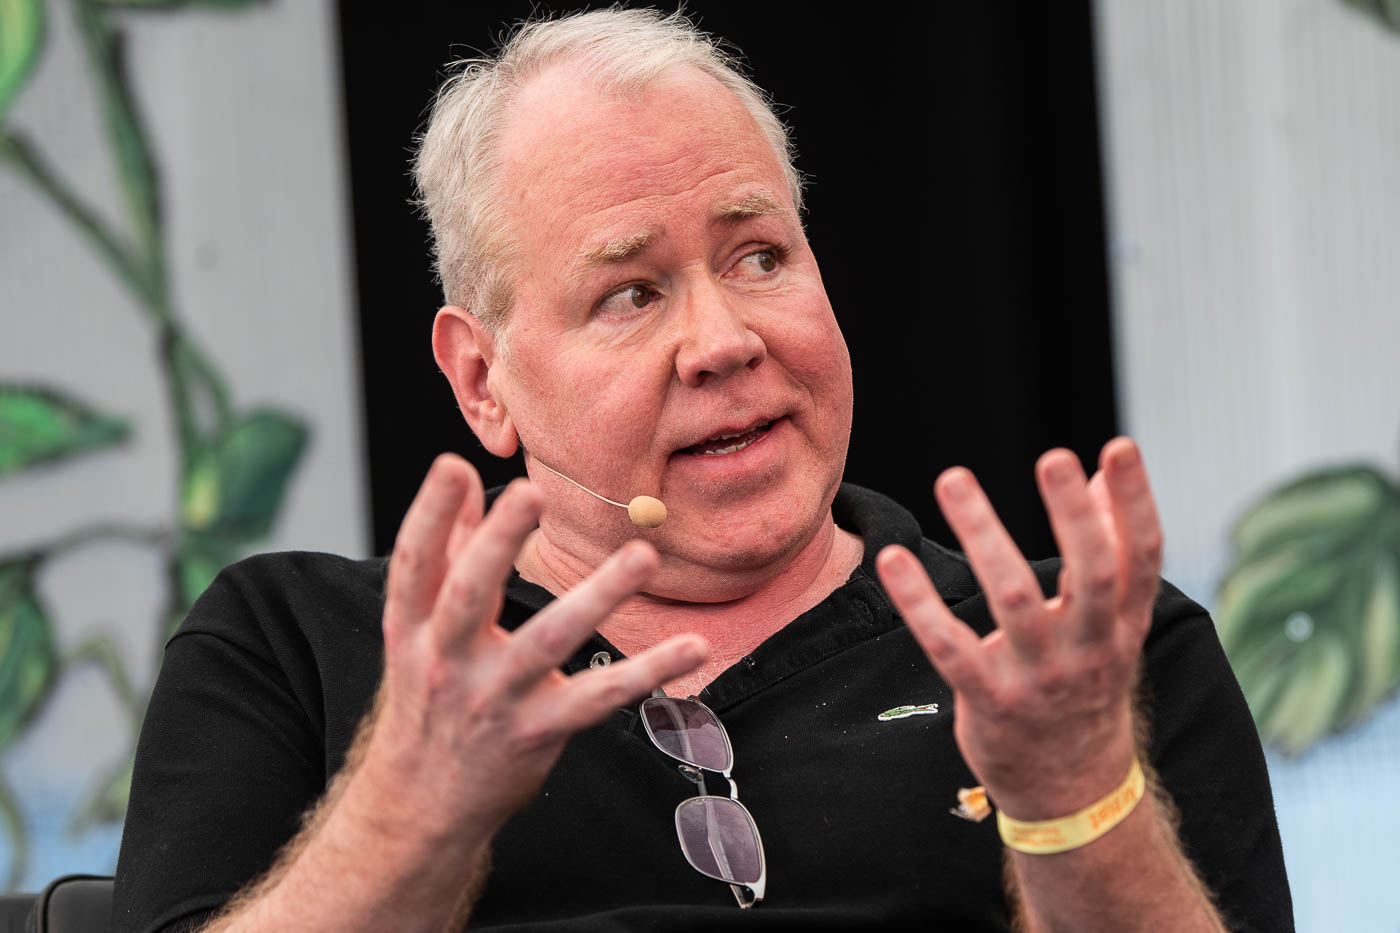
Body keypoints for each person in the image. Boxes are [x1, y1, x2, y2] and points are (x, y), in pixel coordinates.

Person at [110, 9, 1292, 932]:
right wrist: (410, 809)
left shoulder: (1076, 657)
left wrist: (1072, 795)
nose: (723, 341)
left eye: (758, 256)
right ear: (482, 380)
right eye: (631, 293)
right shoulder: (296, 651)